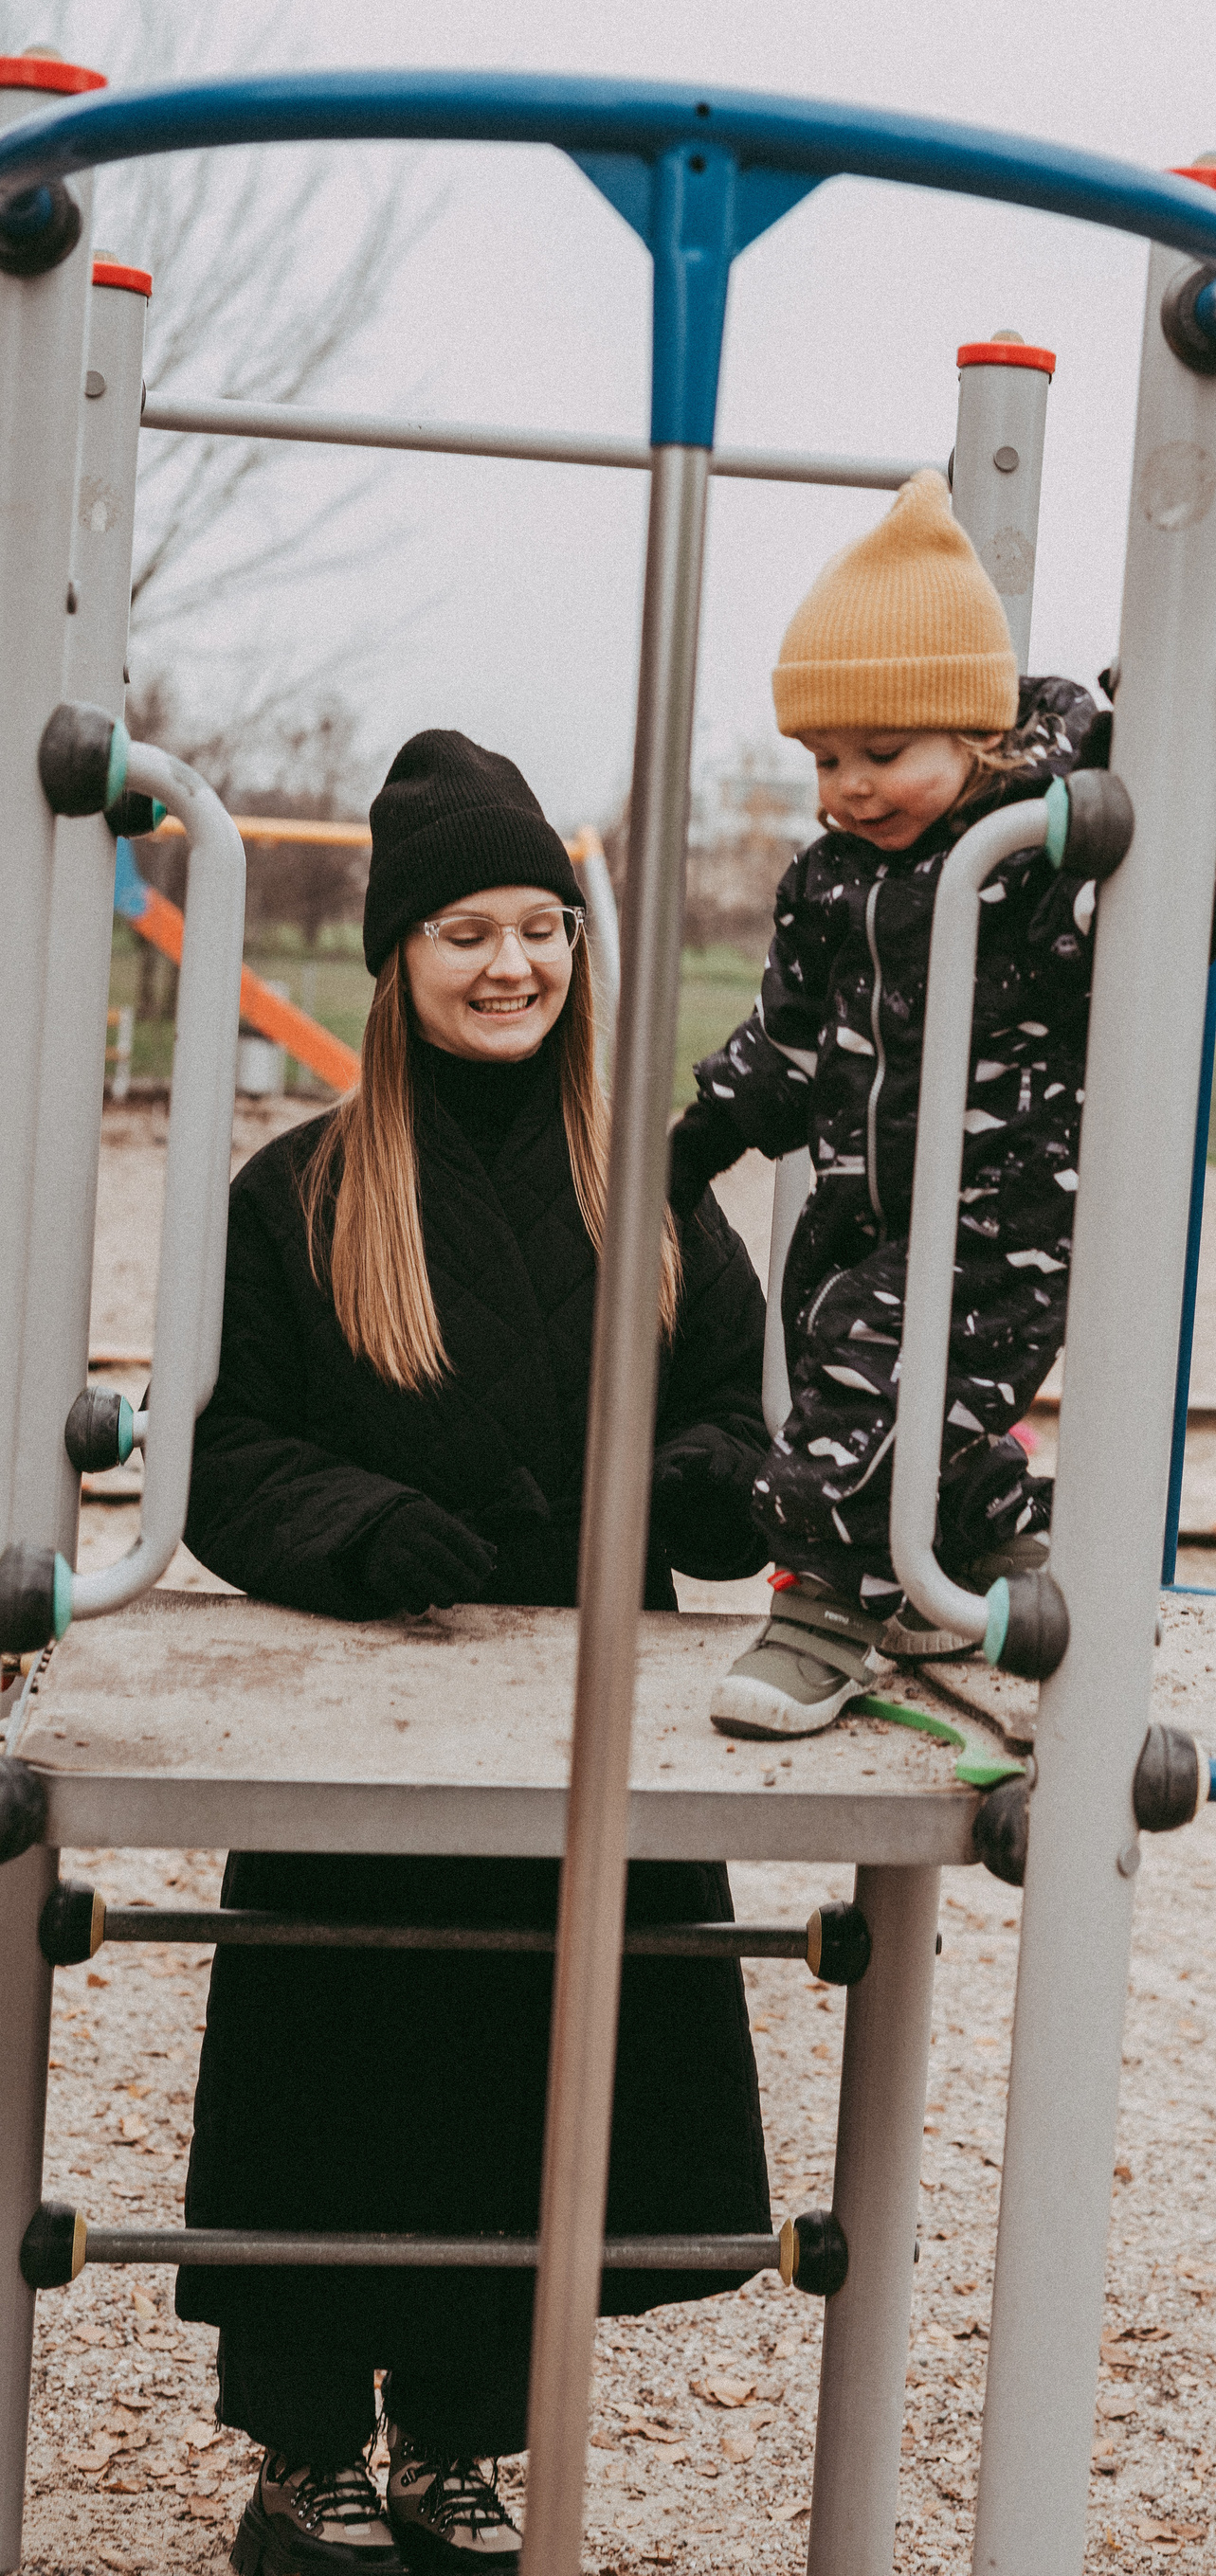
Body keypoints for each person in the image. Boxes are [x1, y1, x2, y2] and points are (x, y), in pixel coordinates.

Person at [179, 731, 773, 2576]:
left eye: (542, 927)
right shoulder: (298, 1198)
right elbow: (225, 1452)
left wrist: (701, 1482)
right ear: (397, 960)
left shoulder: (657, 1197)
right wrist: (359, 1529)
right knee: (338, 2061)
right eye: (466, 932)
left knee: (537, 2075)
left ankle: (455, 2440)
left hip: (585, 1725)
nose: (514, 964)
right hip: (363, 1722)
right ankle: (302, 2449)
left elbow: (745, 1440)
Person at [664, 470, 1105, 1740]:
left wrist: (1139, 789)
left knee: (865, 1388)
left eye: (883, 754)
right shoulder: (831, 880)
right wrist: (710, 1129)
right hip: (866, 1207)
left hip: (1003, 1217)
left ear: (976, 736)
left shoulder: (1035, 860)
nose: (848, 786)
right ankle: (985, 1543)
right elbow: (790, 1034)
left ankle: (821, 1614)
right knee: (854, 1364)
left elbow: (1198, 893)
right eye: (824, 758)